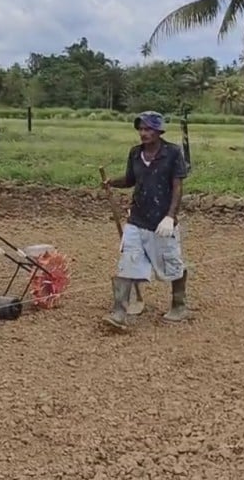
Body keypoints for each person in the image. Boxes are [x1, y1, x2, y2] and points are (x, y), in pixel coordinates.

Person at [101, 110, 190, 330]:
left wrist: (170, 216)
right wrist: (112, 182)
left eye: (148, 129)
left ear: (159, 131)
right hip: (137, 218)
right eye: (141, 129)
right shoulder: (135, 153)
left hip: (162, 221)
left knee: (172, 264)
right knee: (127, 262)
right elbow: (131, 179)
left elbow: (178, 187)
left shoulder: (172, 153)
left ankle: (179, 305)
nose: (143, 133)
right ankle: (119, 313)